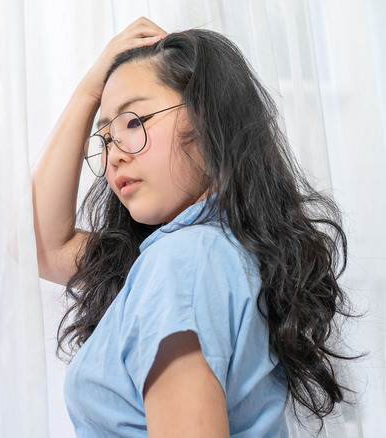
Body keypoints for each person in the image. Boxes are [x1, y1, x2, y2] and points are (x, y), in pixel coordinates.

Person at [31, 17, 357, 437]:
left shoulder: (183, 261)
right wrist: (89, 92)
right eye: (106, 138)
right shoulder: (208, 248)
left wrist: (93, 92)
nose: (114, 156)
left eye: (134, 122)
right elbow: (40, 247)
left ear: (208, 119)